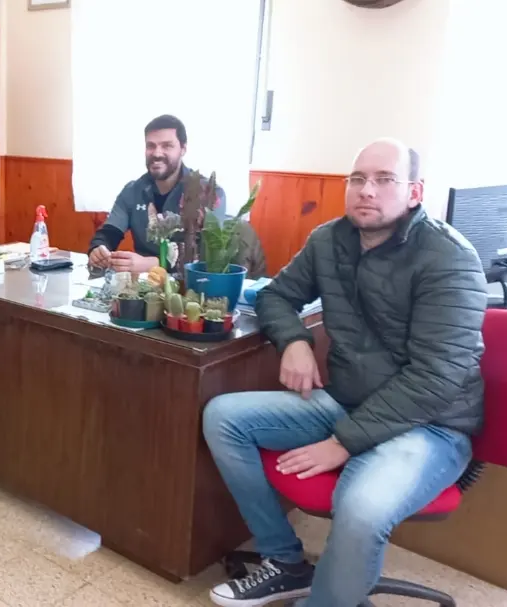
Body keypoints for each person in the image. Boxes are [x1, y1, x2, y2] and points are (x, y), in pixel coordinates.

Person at [202, 139, 486, 606]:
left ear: (414, 192)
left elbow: (436, 377)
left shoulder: (449, 258)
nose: (367, 190)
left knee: (361, 507)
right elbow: (275, 296)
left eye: (384, 179)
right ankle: (285, 562)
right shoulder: (329, 240)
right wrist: (294, 341)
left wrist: (342, 443)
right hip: (348, 401)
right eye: (358, 179)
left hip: (431, 424)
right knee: (224, 417)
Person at [87, 114, 267, 278]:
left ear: (183, 149)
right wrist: (99, 249)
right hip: (145, 286)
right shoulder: (132, 190)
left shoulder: (209, 193)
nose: (157, 153)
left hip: (194, 286)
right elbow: (110, 232)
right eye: (151, 146)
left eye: (167, 146)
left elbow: (210, 255)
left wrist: (156, 263)